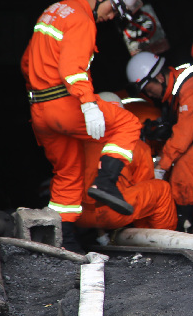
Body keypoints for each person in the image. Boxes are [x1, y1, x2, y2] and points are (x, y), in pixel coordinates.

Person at [21, 0, 144, 251]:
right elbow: (72, 69)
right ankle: (106, 183)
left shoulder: (53, 11)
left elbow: (27, 62)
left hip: (40, 110)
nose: (111, 16)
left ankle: (64, 243)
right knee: (128, 123)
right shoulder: (81, 18)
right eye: (113, 8)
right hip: (64, 105)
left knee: (68, 173)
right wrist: (88, 104)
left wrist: (40, 95)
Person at [126, 51, 193, 232]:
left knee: (186, 166)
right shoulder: (179, 88)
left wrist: (161, 166)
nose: (150, 94)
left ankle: (183, 223)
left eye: (148, 89)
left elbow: (184, 135)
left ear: (159, 77)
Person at [76, 93, 177, 237]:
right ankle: (158, 240)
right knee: (162, 190)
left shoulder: (75, 142)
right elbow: (143, 189)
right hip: (112, 213)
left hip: (78, 215)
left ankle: (96, 235)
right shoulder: (136, 145)